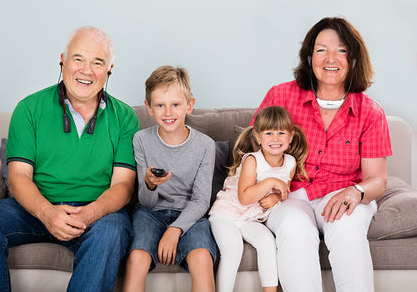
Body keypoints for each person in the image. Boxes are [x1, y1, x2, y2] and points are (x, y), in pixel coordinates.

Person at [0, 26, 140, 292]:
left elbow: (123, 186)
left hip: (96, 213)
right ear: (63, 60)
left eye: (97, 62)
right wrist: (46, 212)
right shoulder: (29, 108)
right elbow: (18, 176)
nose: (87, 70)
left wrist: (90, 213)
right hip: (34, 209)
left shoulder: (125, 117)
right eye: (78, 59)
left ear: (109, 68)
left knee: (113, 230)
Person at [251, 17, 392, 292]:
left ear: (353, 58)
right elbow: (252, 153)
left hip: (343, 194)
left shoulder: (370, 111)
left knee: (348, 230)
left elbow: (377, 179)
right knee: (293, 229)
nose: (331, 58)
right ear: (309, 56)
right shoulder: (281, 97)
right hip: (290, 195)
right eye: (321, 49)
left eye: (341, 50)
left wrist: (356, 193)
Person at [122, 66, 216, 292]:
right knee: (136, 258)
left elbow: (201, 200)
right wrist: (150, 185)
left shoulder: (205, 145)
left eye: (175, 104)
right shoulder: (141, 140)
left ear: (189, 105)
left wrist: (175, 230)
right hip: (149, 214)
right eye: (160, 105)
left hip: (190, 214)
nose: (168, 112)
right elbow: (146, 202)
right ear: (149, 108)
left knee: (202, 258)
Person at [209, 106, 309, 292]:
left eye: (281, 132)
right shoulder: (252, 160)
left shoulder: (290, 163)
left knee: (267, 243)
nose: (275, 138)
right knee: (232, 250)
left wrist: (275, 197)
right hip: (226, 215)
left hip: (250, 218)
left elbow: (283, 191)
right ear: (258, 138)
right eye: (269, 133)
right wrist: (271, 181)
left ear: (291, 136)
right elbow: (245, 197)